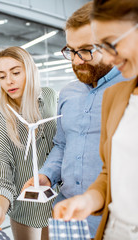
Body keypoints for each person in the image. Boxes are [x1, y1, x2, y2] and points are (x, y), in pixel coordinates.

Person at [22, 2, 128, 238]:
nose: (77, 60)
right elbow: (62, 144)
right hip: (65, 214)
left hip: (111, 220)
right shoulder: (68, 93)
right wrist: (47, 174)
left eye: (86, 50)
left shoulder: (128, 89)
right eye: (71, 50)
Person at [53, 0, 138, 239]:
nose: (109, 59)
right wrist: (89, 200)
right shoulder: (117, 96)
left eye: (110, 43)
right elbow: (110, 172)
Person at [0, 46, 58, 240]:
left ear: (29, 71)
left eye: (15, 72)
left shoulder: (49, 96)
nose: (9, 81)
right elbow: (0, 170)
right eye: (2, 76)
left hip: (59, 202)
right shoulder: (1, 120)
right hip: (26, 210)